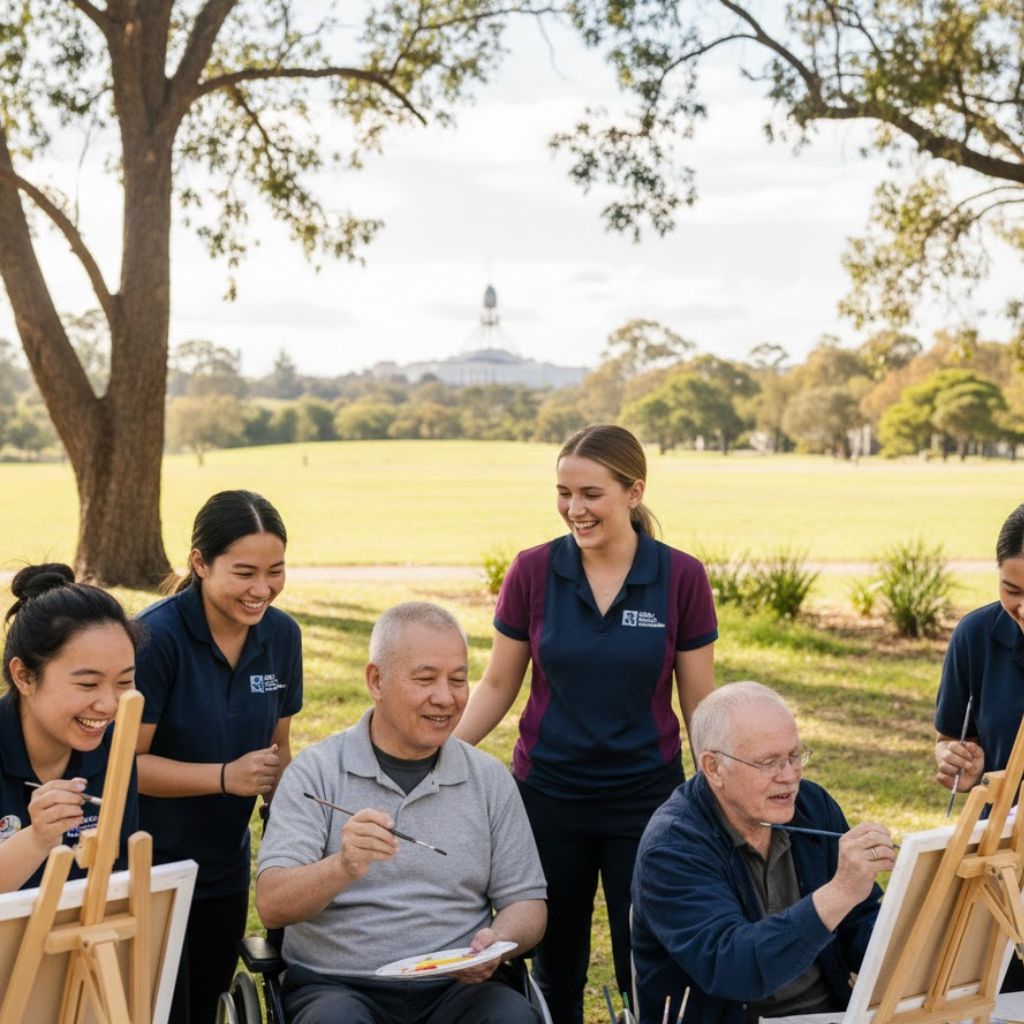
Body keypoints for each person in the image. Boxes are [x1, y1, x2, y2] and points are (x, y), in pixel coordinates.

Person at [454, 423, 717, 1023]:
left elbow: (699, 701)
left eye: (591, 493)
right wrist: (437, 753)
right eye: (564, 492)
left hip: (646, 800)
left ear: (633, 491)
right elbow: (498, 684)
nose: (575, 508)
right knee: (555, 959)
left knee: (645, 957)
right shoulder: (532, 571)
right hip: (548, 797)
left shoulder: (681, 577)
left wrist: (717, 786)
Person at [255, 601, 547, 1024]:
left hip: (459, 987)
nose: (445, 698)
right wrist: (343, 864)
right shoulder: (316, 773)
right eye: (425, 679)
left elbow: (527, 903)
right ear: (376, 680)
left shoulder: (488, 779)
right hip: (338, 985)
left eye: (459, 680)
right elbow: (272, 905)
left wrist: (500, 940)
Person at [134, 490, 303, 1024]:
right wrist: (226, 777)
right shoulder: (153, 639)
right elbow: (124, 768)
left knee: (205, 1004)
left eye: (275, 571)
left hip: (226, 868)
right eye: (244, 572)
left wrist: (297, 825)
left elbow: (280, 750)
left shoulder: (282, 635)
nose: (262, 590)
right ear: (200, 564)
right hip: (148, 868)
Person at [631, 682, 893, 1024]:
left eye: (794, 756)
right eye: (768, 762)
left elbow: (857, 924)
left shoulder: (812, 805)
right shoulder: (672, 847)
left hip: (828, 1015)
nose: (789, 777)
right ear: (713, 767)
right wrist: (840, 892)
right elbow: (736, 968)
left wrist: (907, 935)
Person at [0, 563, 140, 893]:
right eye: (88, 684)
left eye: (124, 681)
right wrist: (35, 840)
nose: (109, 704)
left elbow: (117, 879)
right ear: (24, 676)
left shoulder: (113, 751)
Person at [935, 501, 1024, 796]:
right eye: (1012, 591)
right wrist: (962, 764)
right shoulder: (975, 636)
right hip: (1002, 836)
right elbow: (948, 737)